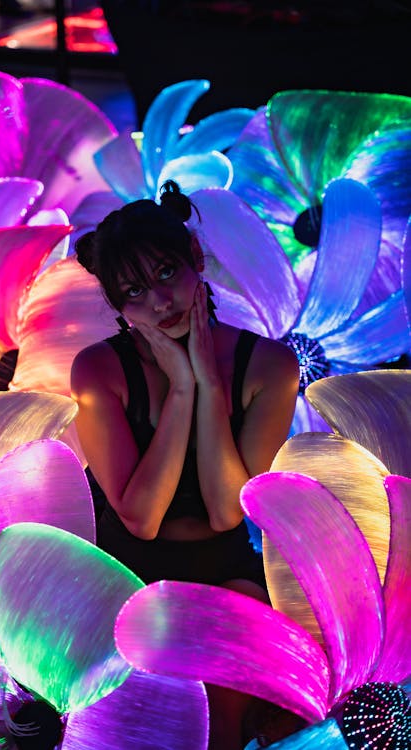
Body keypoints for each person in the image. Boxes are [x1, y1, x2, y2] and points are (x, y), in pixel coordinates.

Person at [70, 180, 300, 748]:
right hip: (124, 566)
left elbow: (228, 511)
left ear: (195, 258)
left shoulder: (270, 365)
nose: (158, 303)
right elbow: (141, 518)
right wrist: (179, 388)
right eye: (134, 291)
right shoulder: (98, 370)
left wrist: (207, 381)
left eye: (167, 273)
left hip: (225, 565)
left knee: (220, 714)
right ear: (117, 305)